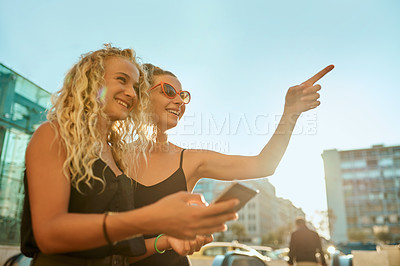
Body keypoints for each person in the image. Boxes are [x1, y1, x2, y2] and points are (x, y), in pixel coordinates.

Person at [20, 45, 239, 265]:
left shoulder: (116, 157)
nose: (132, 93)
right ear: (93, 81)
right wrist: (152, 216)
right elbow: (49, 235)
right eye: (122, 80)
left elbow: (122, 252)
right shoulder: (53, 135)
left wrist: (167, 240)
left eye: (136, 87)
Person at [127, 63, 334, 265]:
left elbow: (263, 165)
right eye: (169, 91)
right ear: (143, 95)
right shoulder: (113, 156)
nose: (180, 102)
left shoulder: (190, 159)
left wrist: (291, 113)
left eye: (183, 96)